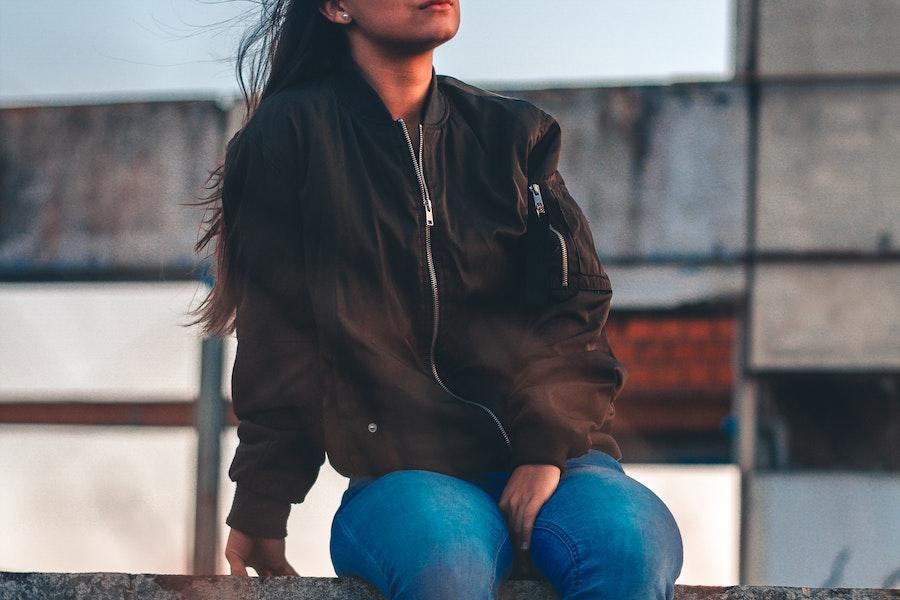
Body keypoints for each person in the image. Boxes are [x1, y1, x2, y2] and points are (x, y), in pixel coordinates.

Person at [188, 0, 684, 598]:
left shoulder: (512, 134)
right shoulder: (291, 134)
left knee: (628, 548)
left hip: (564, 463)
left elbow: (572, 307)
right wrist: (262, 504)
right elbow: (282, 336)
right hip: (405, 474)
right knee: (444, 564)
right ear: (337, 8)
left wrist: (543, 452)